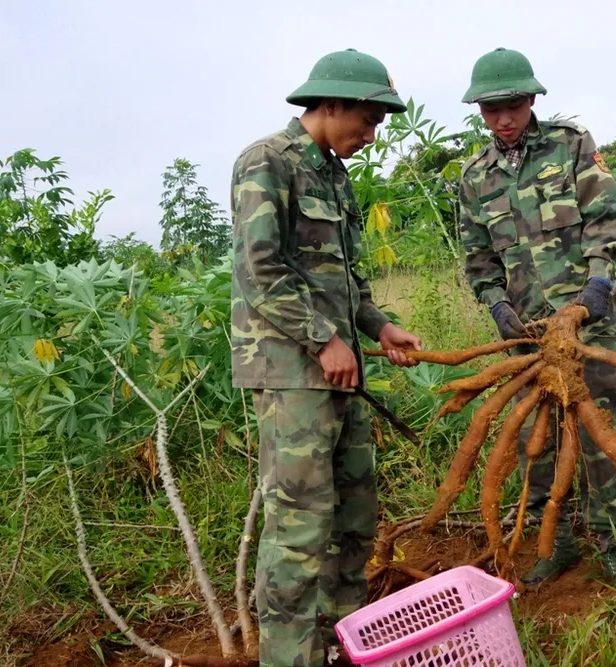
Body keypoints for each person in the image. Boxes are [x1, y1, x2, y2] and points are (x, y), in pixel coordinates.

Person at [230, 48, 422, 667]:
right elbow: (261, 270)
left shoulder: (336, 178)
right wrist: (323, 339)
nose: (371, 136)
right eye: (366, 121)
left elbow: (348, 279)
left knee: (355, 514)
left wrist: (381, 326)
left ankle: (347, 644)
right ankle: (289, 656)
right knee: (300, 526)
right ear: (331, 103)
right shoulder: (266, 162)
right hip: (294, 376)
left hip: (341, 371)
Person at [457, 47, 616, 588]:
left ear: (532, 98)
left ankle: (615, 540)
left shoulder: (571, 145)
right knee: (535, 440)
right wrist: (496, 304)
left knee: (597, 427)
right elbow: (478, 257)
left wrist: (598, 282)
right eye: (491, 110)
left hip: (586, 320)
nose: (504, 119)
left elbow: (608, 220)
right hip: (528, 335)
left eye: (512, 104)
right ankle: (554, 542)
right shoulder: (475, 178)